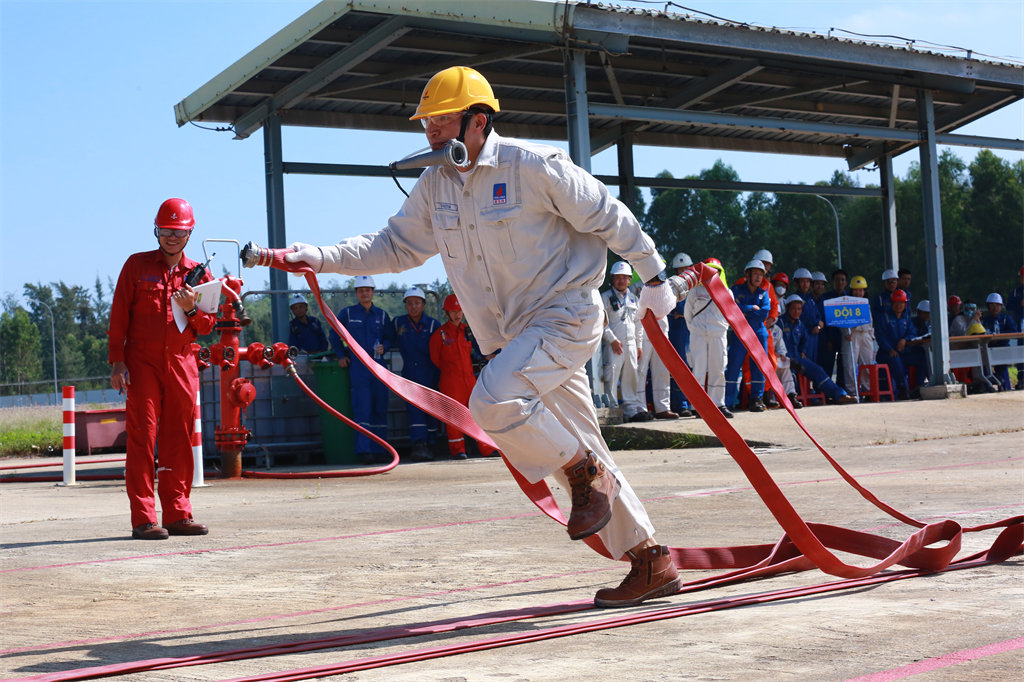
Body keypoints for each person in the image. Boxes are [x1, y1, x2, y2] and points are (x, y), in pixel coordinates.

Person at [284, 66, 699, 607]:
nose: (430, 132)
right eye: (426, 123)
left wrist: (653, 275)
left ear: (478, 121)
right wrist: (320, 257)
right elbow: (394, 246)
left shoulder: (532, 166)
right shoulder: (436, 186)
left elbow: (606, 214)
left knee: (493, 401)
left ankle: (581, 473)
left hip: (565, 315)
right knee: (583, 444)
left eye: (442, 120)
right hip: (513, 339)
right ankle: (651, 560)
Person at [108, 198, 214, 540]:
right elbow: (119, 316)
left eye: (179, 232)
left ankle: (178, 513)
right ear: (157, 230)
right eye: (167, 231)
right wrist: (117, 363)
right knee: (142, 438)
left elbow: (209, 325)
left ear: (189, 233)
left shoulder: (201, 276)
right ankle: (143, 518)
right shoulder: (136, 267)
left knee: (179, 439)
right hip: (142, 364)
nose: (172, 237)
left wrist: (191, 308)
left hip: (183, 363)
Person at [328, 275, 395, 465]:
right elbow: (334, 335)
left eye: (368, 290)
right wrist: (341, 355)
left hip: (379, 368)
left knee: (380, 408)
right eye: (361, 290)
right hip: (358, 368)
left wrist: (385, 346)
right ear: (356, 293)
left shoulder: (382, 315)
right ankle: (365, 451)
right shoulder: (347, 314)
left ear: (373, 292)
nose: (364, 293)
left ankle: (381, 450)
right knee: (363, 409)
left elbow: (390, 338)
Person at [430, 295, 498, 459]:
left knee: (478, 413)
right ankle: (458, 450)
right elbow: (435, 358)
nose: (457, 314)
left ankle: (487, 449)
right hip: (451, 382)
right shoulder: (440, 335)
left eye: (459, 310)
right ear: (447, 313)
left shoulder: (469, 331)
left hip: (470, 381)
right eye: (453, 311)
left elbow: (481, 351)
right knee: (454, 416)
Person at [390, 287, 441, 461]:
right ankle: (419, 445)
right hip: (410, 375)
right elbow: (387, 340)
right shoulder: (398, 324)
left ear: (423, 305)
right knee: (414, 411)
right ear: (405, 306)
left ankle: (433, 443)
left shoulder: (434, 325)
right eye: (410, 303)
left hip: (431, 374)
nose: (413, 307)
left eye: (417, 303)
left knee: (432, 410)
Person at [780, 296, 857, 405]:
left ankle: (839, 395)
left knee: (818, 370)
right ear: (787, 308)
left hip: (797, 357)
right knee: (790, 374)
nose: (796, 312)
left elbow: (805, 339)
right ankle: (793, 400)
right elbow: (775, 342)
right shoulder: (780, 322)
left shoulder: (800, 324)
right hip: (784, 359)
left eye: (799, 309)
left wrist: (803, 351)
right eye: (793, 308)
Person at [601, 261, 651, 423]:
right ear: (612, 279)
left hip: (630, 344)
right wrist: (612, 340)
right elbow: (600, 322)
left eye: (624, 277)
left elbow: (638, 324)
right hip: (613, 344)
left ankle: (631, 410)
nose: (621, 280)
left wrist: (638, 345)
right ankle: (613, 410)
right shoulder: (605, 298)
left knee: (631, 378)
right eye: (618, 277)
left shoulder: (634, 299)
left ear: (630, 280)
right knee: (611, 377)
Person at [684, 258, 734, 419]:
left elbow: (731, 314)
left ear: (720, 273)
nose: (713, 272)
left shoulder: (727, 291)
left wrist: (721, 328)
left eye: (716, 270)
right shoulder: (695, 289)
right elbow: (687, 313)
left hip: (718, 334)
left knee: (718, 369)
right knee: (698, 369)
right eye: (710, 269)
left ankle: (718, 404)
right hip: (698, 333)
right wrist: (695, 329)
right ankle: (698, 406)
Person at [725, 260, 771, 412]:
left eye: (761, 274)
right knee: (733, 366)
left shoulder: (764, 293)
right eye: (756, 274)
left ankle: (756, 400)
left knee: (759, 366)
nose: (759, 277)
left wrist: (744, 312)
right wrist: (751, 307)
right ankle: (727, 402)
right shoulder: (736, 290)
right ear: (747, 274)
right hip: (740, 333)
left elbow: (764, 313)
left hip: (758, 333)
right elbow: (732, 309)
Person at [873, 289, 925, 400]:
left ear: (905, 305)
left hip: (903, 353)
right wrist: (889, 349)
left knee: (923, 359)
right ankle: (902, 389)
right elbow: (880, 337)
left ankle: (918, 388)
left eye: (901, 303)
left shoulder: (907, 318)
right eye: (895, 302)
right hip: (886, 354)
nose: (898, 305)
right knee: (895, 359)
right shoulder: (884, 317)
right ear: (891, 303)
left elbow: (912, 333)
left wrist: (905, 339)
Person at [667, 252, 694, 417]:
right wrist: (685, 312)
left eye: (686, 268)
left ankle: (693, 402)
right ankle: (680, 403)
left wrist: (686, 312)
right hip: (678, 330)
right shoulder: (671, 285)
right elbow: (677, 308)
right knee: (680, 366)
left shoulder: (697, 286)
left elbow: (690, 309)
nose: (683, 271)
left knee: (694, 366)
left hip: (693, 330)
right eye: (680, 269)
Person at [842, 276, 875, 395]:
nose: (858, 293)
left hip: (865, 335)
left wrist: (871, 336)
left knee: (867, 365)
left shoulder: (867, 304)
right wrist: (846, 333)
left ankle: (868, 391)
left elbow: (870, 322)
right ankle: (852, 393)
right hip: (852, 335)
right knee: (850, 366)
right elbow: (840, 321)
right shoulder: (844, 303)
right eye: (856, 290)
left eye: (861, 290)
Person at [981, 293, 1019, 391]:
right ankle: (989, 384)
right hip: (988, 348)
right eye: (992, 306)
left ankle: (1000, 380)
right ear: (988, 307)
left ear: (1001, 307)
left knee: (1003, 362)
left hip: (1003, 347)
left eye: (997, 305)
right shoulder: (984, 320)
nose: (995, 308)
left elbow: (1014, 331)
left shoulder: (1006, 318)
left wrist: (999, 336)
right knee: (982, 362)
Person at [819, 269, 848, 390]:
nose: (840, 283)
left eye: (842, 280)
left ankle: (841, 391)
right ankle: (827, 391)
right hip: (829, 338)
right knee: (827, 366)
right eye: (837, 280)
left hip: (845, 338)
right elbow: (822, 320)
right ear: (833, 282)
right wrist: (827, 339)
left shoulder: (850, 299)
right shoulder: (825, 299)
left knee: (844, 366)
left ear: (846, 282)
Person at [792, 268, 823, 364]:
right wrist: (817, 323)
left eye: (808, 281)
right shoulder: (794, 298)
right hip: (802, 337)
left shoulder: (810, 298)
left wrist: (818, 326)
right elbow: (800, 317)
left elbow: (818, 315)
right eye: (802, 281)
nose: (806, 284)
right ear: (797, 283)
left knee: (813, 364)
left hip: (814, 337)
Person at [1007, 266, 1024, 389]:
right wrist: (1020, 304)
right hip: (1021, 329)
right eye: (1021, 277)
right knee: (1021, 354)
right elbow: (1009, 306)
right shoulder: (1015, 292)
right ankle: (1022, 379)